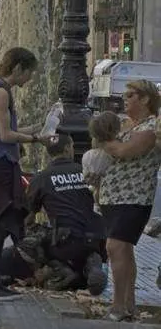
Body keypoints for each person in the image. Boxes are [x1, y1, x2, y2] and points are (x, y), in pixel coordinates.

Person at [0, 47, 51, 301]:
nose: (30, 79)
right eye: (29, 73)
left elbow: (6, 129)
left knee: (4, 223)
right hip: (0, 167)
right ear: (18, 68)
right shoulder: (2, 93)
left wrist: (37, 128)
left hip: (3, 166)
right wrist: (36, 138)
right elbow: (5, 136)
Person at [97, 80, 161, 321]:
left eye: (131, 95)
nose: (125, 99)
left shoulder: (151, 127)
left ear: (145, 99)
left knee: (115, 247)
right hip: (114, 197)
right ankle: (129, 305)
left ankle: (118, 305)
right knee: (123, 249)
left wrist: (103, 140)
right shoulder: (129, 125)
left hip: (133, 197)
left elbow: (125, 152)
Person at [25, 134, 108, 296]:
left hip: (64, 241)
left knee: (32, 235)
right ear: (67, 149)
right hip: (96, 237)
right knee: (88, 245)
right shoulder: (85, 172)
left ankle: (59, 269)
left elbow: (28, 215)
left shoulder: (42, 178)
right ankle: (93, 264)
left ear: (49, 153)